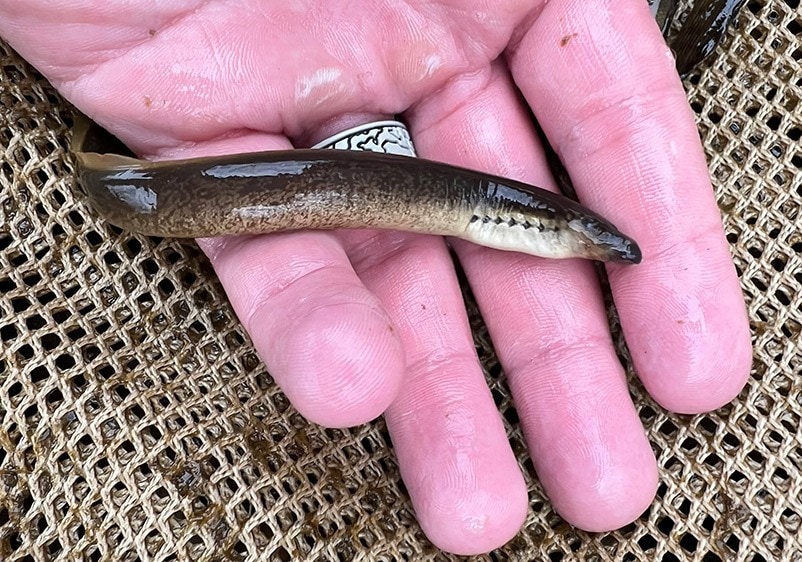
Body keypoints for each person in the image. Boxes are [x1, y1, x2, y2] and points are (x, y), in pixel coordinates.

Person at [0, 0, 752, 555]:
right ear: (553, 228)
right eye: (597, 239)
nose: (611, 250)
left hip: (208, 166)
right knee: (140, 193)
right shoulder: (536, 219)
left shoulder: (524, 217)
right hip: (151, 184)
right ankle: (105, 168)